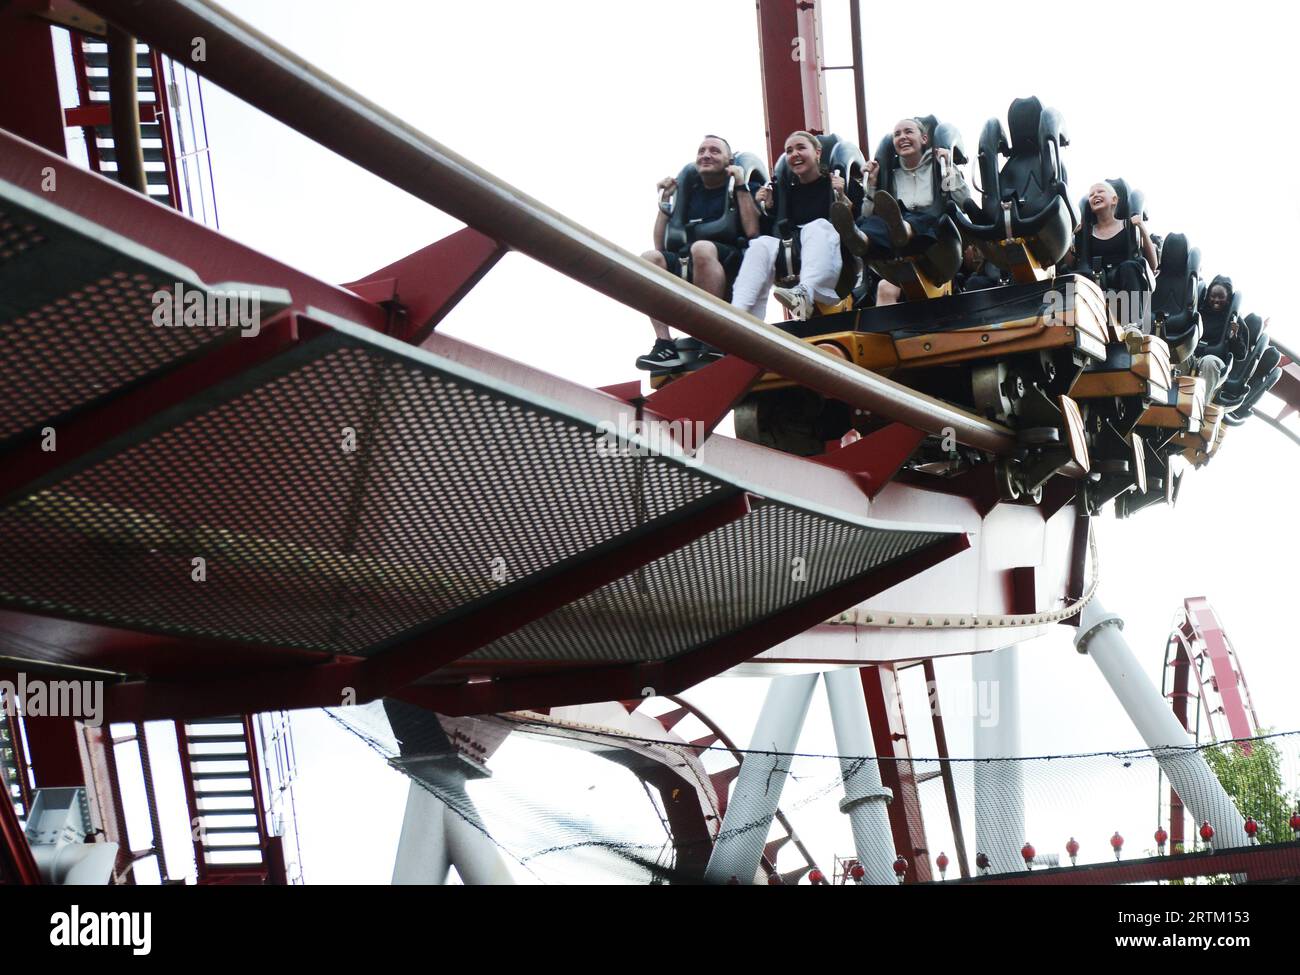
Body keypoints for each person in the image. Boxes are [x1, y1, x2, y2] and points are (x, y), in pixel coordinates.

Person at [635, 135, 763, 369]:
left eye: (714, 151)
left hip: (728, 261)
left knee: (701, 248)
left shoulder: (741, 186)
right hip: (689, 259)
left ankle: (712, 338)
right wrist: (665, 201)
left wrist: (741, 185)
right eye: (702, 150)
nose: (706, 155)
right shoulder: (688, 189)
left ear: (729, 159)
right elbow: (660, 245)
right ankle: (664, 345)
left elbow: (753, 231)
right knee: (648, 259)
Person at [730, 130, 863, 321]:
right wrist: (764, 208)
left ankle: (804, 294)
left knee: (816, 227)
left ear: (817, 153)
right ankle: (740, 312)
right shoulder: (782, 193)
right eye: (789, 151)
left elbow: (857, 222)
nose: (794, 154)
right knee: (759, 245)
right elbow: (765, 232)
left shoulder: (838, 184)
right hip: (791, 262)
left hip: (838, 267)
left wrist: (842, 196)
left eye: (801, 148)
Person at [831, 117, 972, 293]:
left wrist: (950, 170)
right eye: (897, 134)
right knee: (868, 223)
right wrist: (873, 186)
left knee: (920, 218)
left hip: (932, 230)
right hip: (895, 226)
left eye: (908, 132)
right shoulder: (890, 173)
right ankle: (860, 239)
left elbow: (964, 201)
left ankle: (902, 229)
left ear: (924, 139)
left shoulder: (938, 166)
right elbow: (867, 214)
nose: (902, 137)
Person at [1074, 181, 1158, 324]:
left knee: (1129, 267)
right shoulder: (1086, 232)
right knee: (1079, 275)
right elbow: (1071, 263)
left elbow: (1154, 265)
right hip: (1099, 279)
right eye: (1091, 195)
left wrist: (1142, 228)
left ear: (1114, 200)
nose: (1095, 196)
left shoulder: (1129, 226)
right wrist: (1072, 235)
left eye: (1100, 192)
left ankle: (1133, 326)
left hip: (1126, 278)